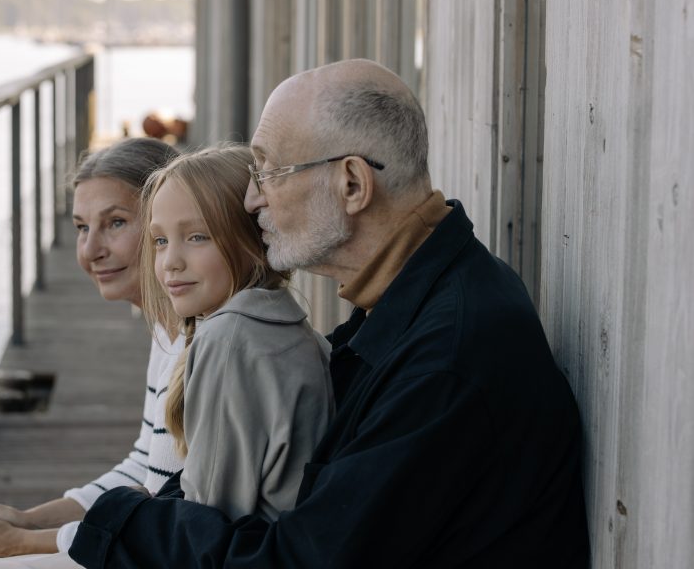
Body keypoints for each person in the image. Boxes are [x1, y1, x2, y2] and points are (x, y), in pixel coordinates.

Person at [68, 59, 590, 568]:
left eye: (269, 171)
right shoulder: (422, 294)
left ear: (352, 185)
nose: (251, 199)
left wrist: (120, 519)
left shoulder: (447, 360)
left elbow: (297, 559)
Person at [0, 138, 184, 569]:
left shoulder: (206, 342)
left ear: (166, 223)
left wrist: (19, 542)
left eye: (115, 223)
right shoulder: (166, 329)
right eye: (81, 227)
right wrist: (22, 521)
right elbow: (146, 470)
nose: (90, 250)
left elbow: (179, 513)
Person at [138, 144, 334, 522]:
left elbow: (206, 521)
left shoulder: (230, 338)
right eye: (160, 240)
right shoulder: (291, 330)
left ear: (253, 240)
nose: (170, 262)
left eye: (197, 236)